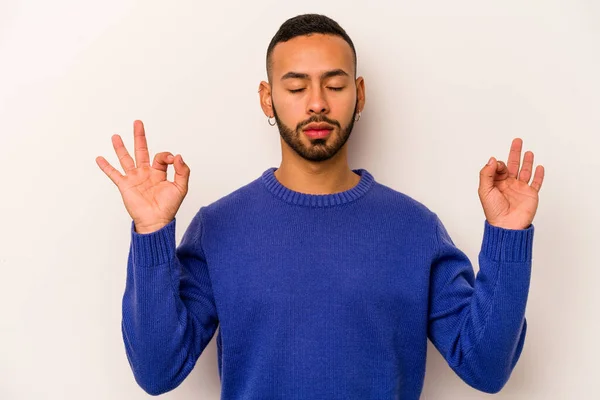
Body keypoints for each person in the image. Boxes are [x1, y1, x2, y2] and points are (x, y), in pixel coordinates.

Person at [95, 13, 545, 400]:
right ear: (267, 98)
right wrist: (152, 231)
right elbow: (157, 373)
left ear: (359, 94)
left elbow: (486, 369)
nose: (317, 103)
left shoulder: (413, 228)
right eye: (295, 87)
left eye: (334, 84)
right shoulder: (219, 227)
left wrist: (507, 238)